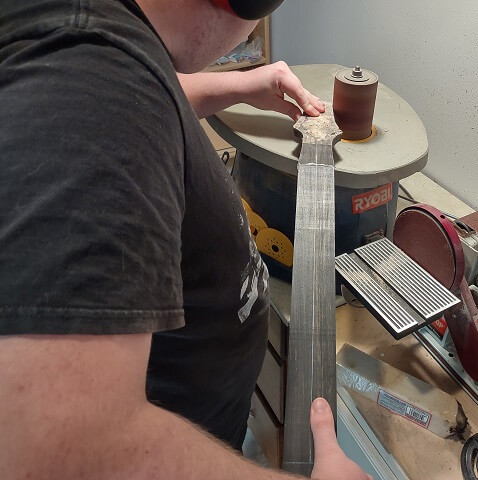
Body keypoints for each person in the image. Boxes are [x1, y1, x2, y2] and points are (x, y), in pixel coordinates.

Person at [0, 0, 372, 478]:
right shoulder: (86, 70)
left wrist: (242, 85)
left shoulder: (102, 43)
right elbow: (57, 452)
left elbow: (144, 90)